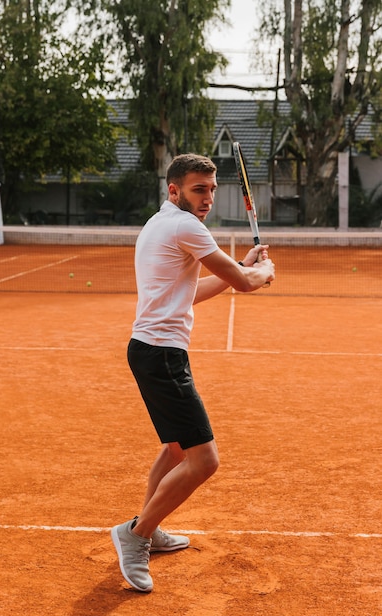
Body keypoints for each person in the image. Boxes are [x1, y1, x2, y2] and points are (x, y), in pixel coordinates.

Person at [111, 153, 275, 592]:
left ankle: (150, 524)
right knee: (205, 460)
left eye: (212, 189)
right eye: (198, 189)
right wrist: (258, 272)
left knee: (176, 452)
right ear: (174, 190)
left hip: (153, 351)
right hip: (161, 356)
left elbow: (190, 292)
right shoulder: (186, 227)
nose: (207, 198)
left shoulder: (160, 224)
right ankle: (136, 535)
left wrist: (243, 269)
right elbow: (243, 283)